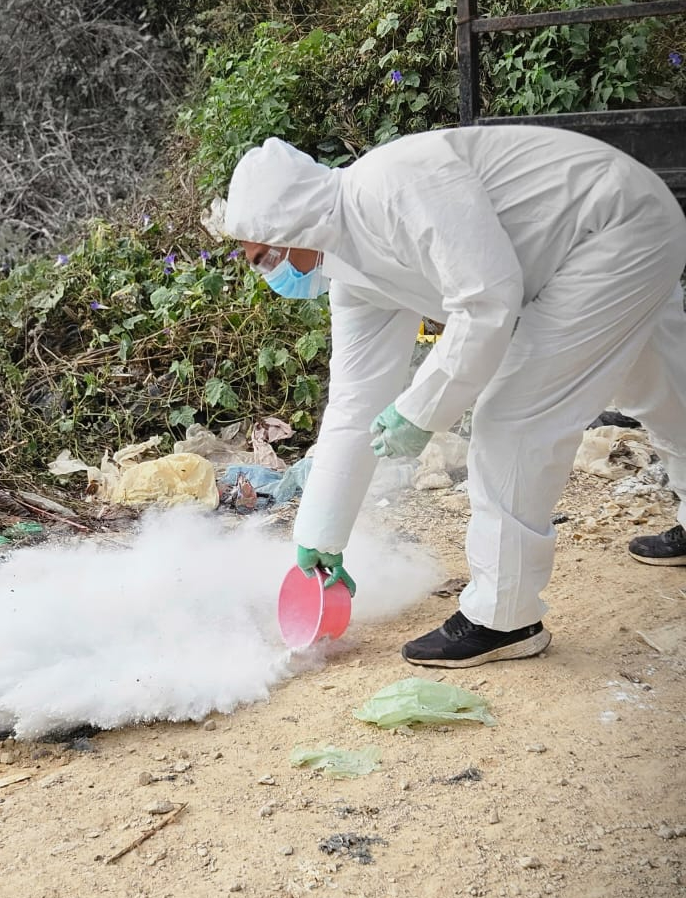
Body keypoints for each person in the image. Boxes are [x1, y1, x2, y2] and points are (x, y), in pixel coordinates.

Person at [224, 128, 686, 667]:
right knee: (663, 385)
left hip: (612, 226)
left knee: (512, 418)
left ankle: (504, 617)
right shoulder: (352, 275)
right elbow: (354, 403)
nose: (268, 274)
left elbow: (487, 300)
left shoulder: (393, 184)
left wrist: (421, 411)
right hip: (609, 233)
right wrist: (320, 533)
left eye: (263, 257)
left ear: (294, 225)